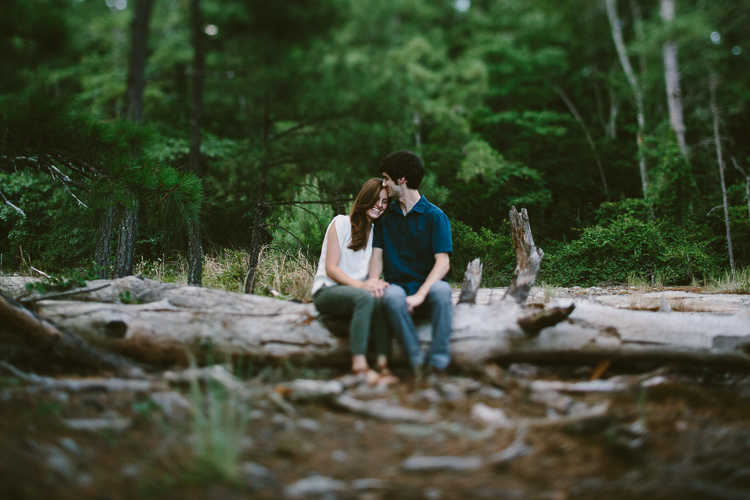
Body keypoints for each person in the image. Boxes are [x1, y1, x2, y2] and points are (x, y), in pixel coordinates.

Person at [369, 150, 453, 378]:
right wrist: (374, 280)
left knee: (443, 289)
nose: (384, 184)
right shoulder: (385, 219)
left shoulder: (435, 216)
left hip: (427, 289)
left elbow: (443, 263)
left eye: (386, 178)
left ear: (401, 178)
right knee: (392, 295)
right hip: (397, 289)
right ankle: (416, 362)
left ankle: (438, 363)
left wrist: (420, 295)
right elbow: (377, 255)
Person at [312, 178, 396, 384]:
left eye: (385, 202)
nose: (380, 205)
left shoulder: (376, 234)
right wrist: (361, 286)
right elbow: (331, 269)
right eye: (376, 199)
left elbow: (373, 273)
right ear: (365, 198)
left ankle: (383, 365)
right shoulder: (341, 223)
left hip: (357, 295)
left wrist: (376, 284)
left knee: (379, 299)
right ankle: (359, 366)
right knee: (365, 298)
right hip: (328, 291)